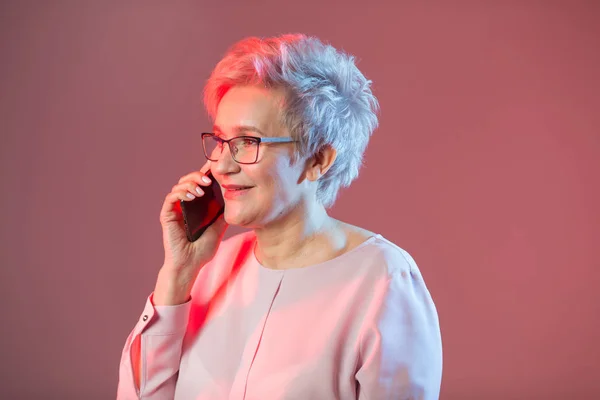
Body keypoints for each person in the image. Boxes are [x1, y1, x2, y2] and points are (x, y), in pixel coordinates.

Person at [116, 33, 442, 400]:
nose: (221, 165)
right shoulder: (208, 269)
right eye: (221, 140)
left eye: (247, 142)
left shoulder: (382, 280)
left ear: (318, 160)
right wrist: (177, 274)